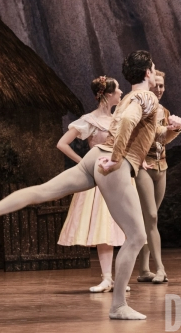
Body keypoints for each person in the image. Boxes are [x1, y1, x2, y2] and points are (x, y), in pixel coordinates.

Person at [0, 50, 181, 320]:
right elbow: (129, 123)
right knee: (138, 236)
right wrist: (117, 160)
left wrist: (173, 130)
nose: (155, 74)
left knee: (42, 191)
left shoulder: (132, 97)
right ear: (147, 73)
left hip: (96, 157)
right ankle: (118, 305)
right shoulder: (147, 96)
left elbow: (151, 141)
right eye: (153, 69)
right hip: (114, 165)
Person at [57, 76, 130, 293]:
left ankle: (120, 277)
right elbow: (62, 143)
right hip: (100, 179)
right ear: (108, 94)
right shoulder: (90, 120)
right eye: (117, 89)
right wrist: (85, 163)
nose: (120, 92)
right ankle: (107, 277)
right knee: (103, 227)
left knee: (124, 227)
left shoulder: (120, 118)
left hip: (120, 177)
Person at [136, 70, 181, 284]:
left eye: (162, 85)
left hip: (161, 166)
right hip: (143, 166)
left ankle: (145, 269)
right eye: (156, 85)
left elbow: (162, 140)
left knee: (150, 219)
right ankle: (161, 268)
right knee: (151, 217)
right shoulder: (140, 108)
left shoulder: (164, 110)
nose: (159, 89)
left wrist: (175, 129)